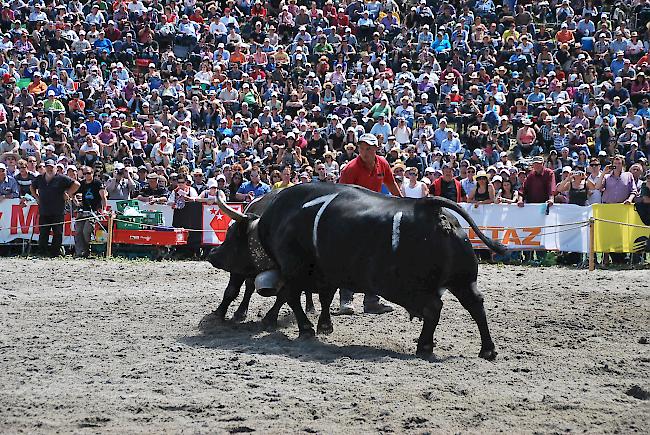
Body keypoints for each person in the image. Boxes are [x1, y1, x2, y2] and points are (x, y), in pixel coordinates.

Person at [337, 133, 401, 315]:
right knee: (350, 259)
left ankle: (372, 300)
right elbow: (342, 197)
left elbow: (391, 184)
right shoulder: (350, 169)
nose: (364, 152)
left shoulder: (383, 164)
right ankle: (346, 300)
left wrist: (403, 202)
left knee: (376, 259)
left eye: (369, 148)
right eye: (362, 148)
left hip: (374, 217)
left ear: (376, 150)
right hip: (352, 219)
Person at [30, 159, 80, 257]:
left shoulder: (62, 178)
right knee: (43, 233)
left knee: (57, 233)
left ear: (56, 168)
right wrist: (36, 197)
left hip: (58, 210)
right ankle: (42, 252)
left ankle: (55, 253)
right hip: (44, 210)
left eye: (51, 167)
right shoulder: (40, 178)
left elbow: (77, 184)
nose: (49, 169)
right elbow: (32, 187)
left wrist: (68, 193)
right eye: (47, 167)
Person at [74, 166, 107, 258]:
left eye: (88, 173)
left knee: (86, 231)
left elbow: (103, 197)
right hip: (83, 211)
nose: (86, 175)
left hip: (94, 212)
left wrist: (104, 209)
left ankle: (89, 251)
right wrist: (76, 201)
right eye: (84, 174)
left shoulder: (97, 183)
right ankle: (80, 252)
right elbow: (72, 192)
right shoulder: (82, 184)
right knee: (78, 231)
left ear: (92, 173)